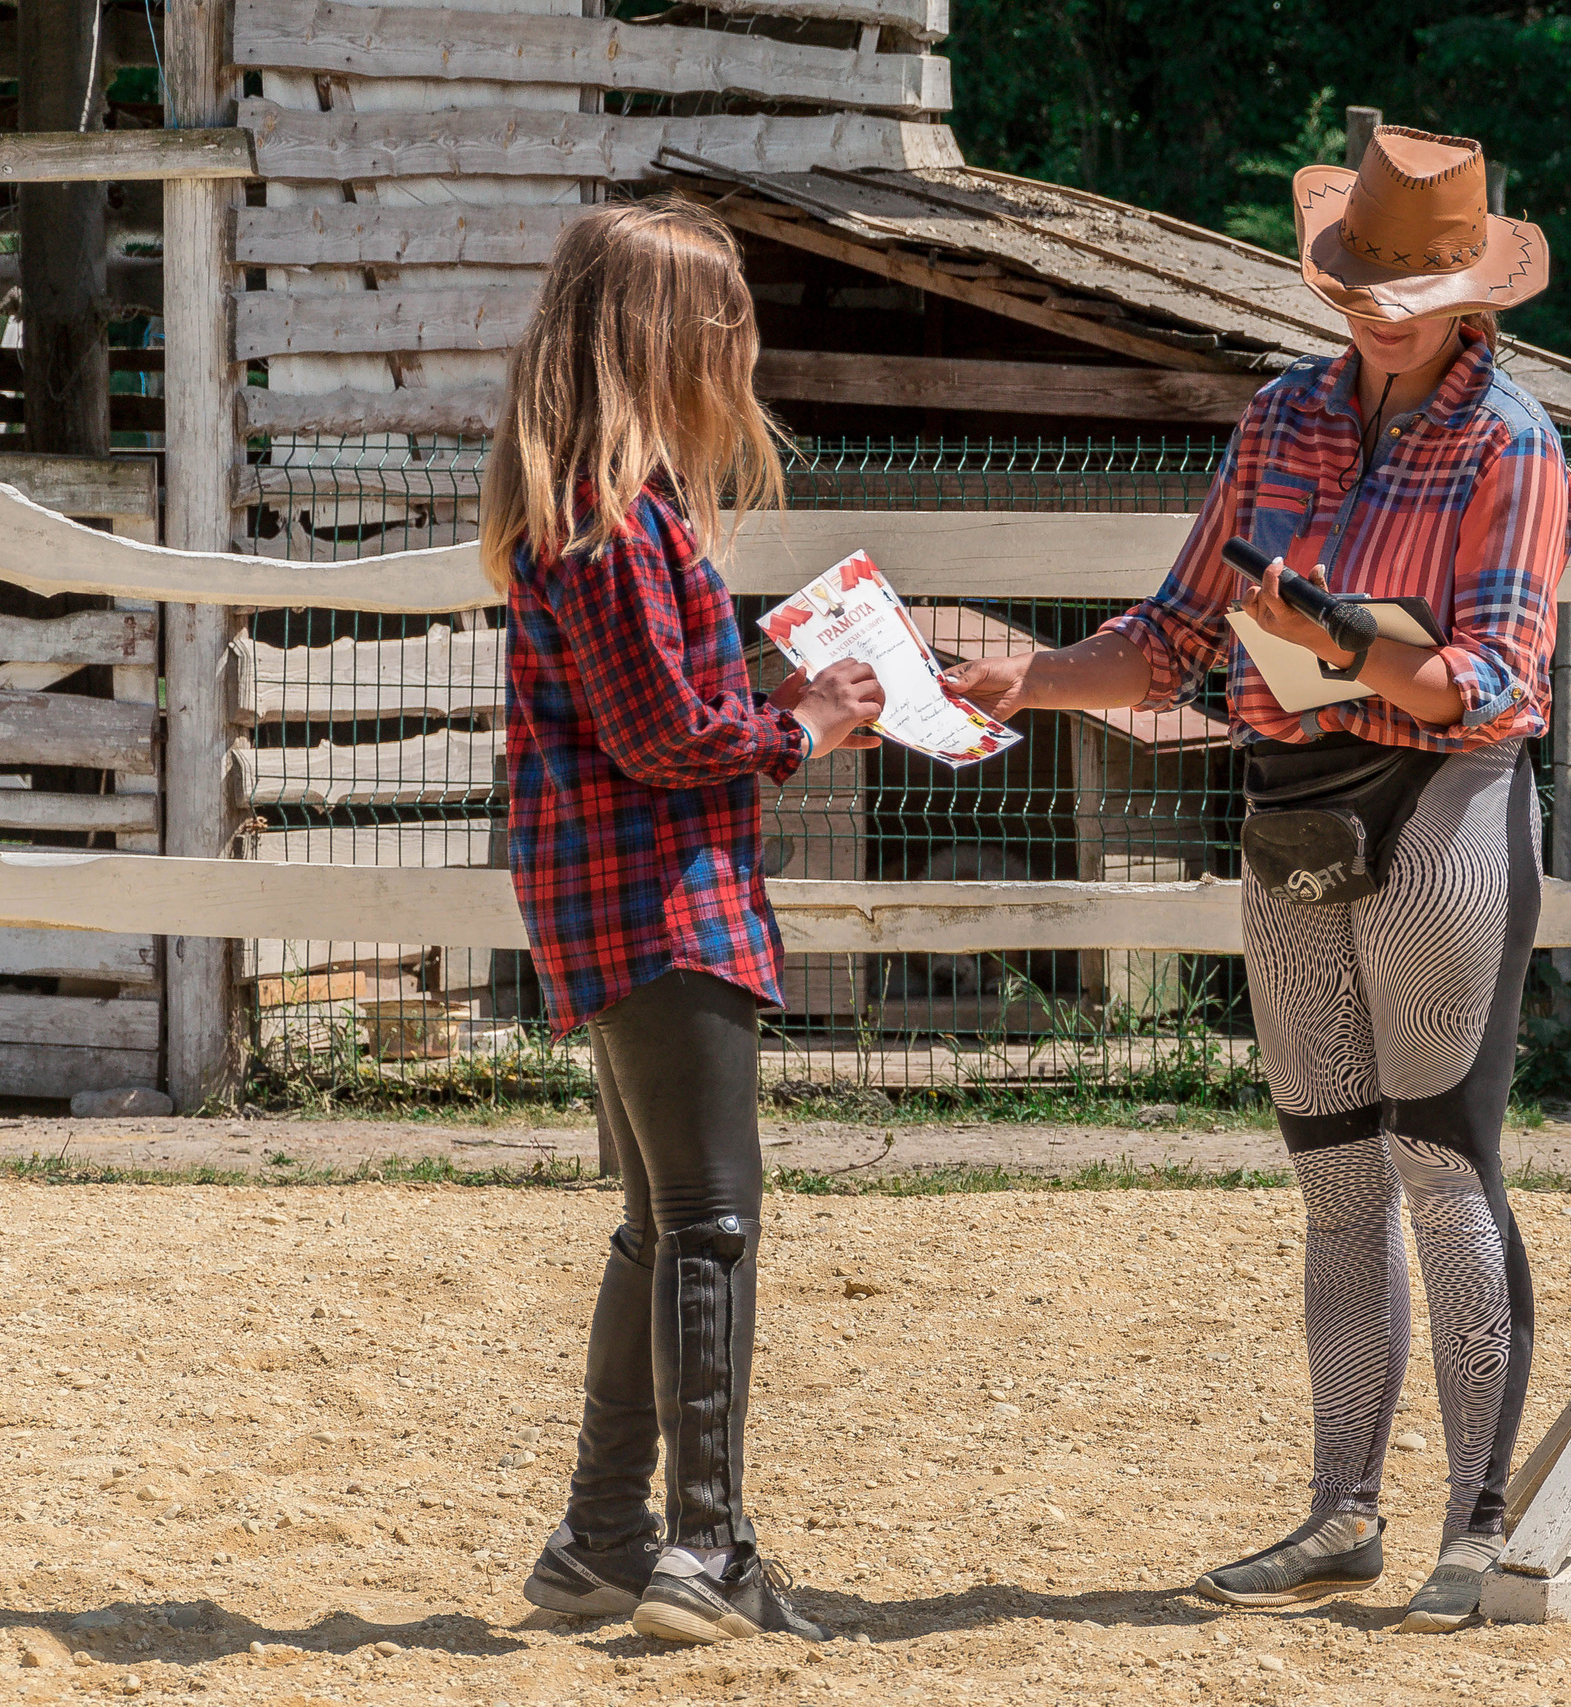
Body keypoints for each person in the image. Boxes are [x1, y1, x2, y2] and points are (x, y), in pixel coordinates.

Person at [947, 127, 1571, 1635]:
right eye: (1362, 274)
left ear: (1468, 289)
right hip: (1291, 798)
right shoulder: (1280, 415)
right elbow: (1174, 634)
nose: (1375, 303)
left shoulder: (1514, 445)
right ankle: (1340, 1511)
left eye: (1406, 279)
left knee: (1440, 1157)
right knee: (1335, 1176)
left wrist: (1344, 635)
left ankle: (1476, 1523)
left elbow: (1489, 678)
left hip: (1442, 801)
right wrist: (1029, 677)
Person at [487, 201, 884, 1646]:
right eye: (724, 321)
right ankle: (704, 1549)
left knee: (660, 1225)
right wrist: (804, 717)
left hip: (611, 896)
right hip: (661, 898)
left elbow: (650, 702)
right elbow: (662, 733)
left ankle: (602, 1539)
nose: (743, 346)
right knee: (713, 1219)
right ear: (664, 336)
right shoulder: (612, 517)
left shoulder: (610, 507)